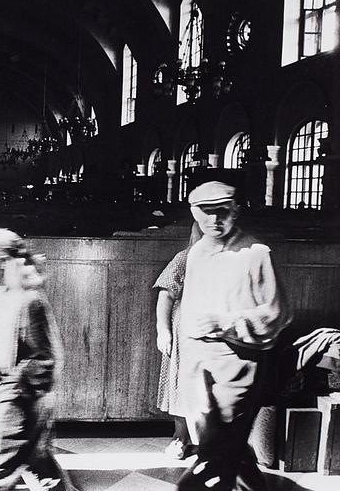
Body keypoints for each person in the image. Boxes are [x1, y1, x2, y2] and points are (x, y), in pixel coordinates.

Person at [175, 181, 291, 491]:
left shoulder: (256, 254)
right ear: (194, 213)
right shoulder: (197, 253)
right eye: (206, 213)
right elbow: (190, 313)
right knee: (231, 450)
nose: (214, 220)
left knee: (212, 458)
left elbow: (278, 313)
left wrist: (225, 323)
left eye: (222, 212)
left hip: (238, 367)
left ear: (235, 210)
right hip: (197, 366)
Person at [0, 229, 69, 491]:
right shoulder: (3, 294)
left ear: (3, 264)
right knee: (41, 470)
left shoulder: (29, 301)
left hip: (19, 407)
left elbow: (46, 359)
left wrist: (6, 373)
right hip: (6, 401)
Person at [153, 223, 201, 460]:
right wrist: (163, 330)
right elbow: (166, 294)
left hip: (216, 335)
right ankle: (180, 437)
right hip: (185, 335)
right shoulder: (185, 258)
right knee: (180, 386)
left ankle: (208, 441)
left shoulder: (231, 261)